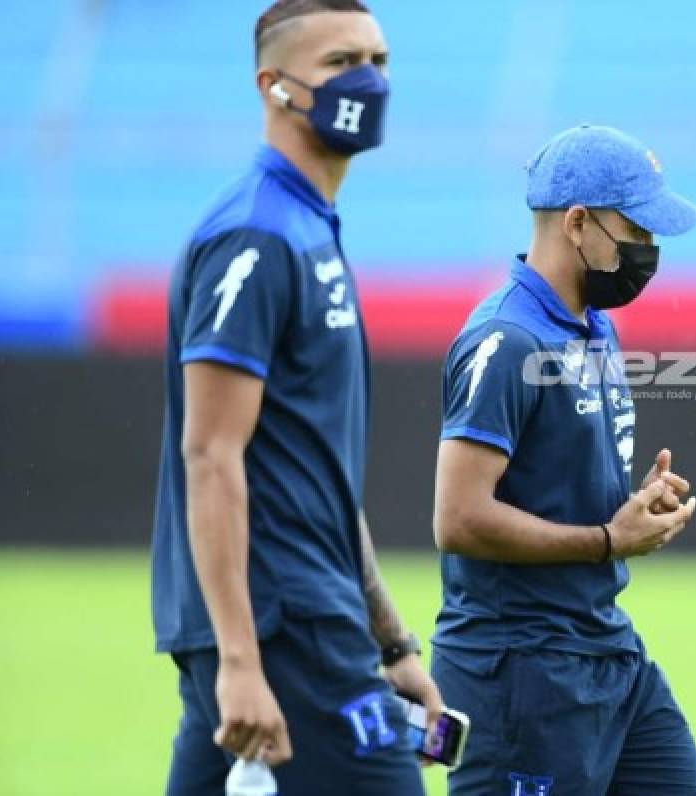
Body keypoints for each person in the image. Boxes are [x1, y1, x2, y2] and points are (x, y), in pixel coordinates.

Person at [150, 2, 440, 793]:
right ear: (273, 86)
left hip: (310, 623)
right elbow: (210, 455)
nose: (370, 81)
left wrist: (393, 643)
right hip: (285, 631)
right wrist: (241, 661)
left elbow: (323, 475)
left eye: (379, 60)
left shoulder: (311, 226)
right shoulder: (257, 234)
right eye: (342, 61)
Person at [430, 124, 696, 795]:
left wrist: (633, 503)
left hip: (607, 652)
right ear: (578, 223)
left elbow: (553, 477)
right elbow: (459, 518)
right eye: (637, 232)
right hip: (521, 676)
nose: (650, 252)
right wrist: (610, 539)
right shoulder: (506, 340)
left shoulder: (593, 326)